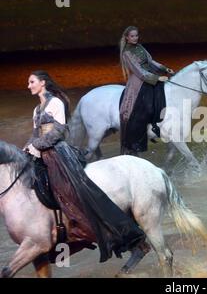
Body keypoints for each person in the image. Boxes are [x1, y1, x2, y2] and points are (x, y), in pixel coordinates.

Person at [24, 70, 145, 262]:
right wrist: (27, 148)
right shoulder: (37, 109)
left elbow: (59, 131)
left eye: (32, 82)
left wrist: (36, 145)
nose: (29, 85)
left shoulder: (55, 102)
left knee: (67, 189)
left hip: (58, 153)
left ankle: (85, 225)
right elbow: (35, 134)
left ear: (43, 83)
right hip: (42, 152)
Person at [119, 26, 174, 155]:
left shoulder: (140, 47)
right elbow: (139, 71)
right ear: (127, 37)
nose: (134, 38)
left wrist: (165, 69)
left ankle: (157, 125)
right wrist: (157, 77)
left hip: (150, 74)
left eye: (136, 35)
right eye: (132, 36)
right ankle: (138, 138)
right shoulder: (127, 52)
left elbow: (151, 61)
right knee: (145, 108)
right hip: (139, 81)